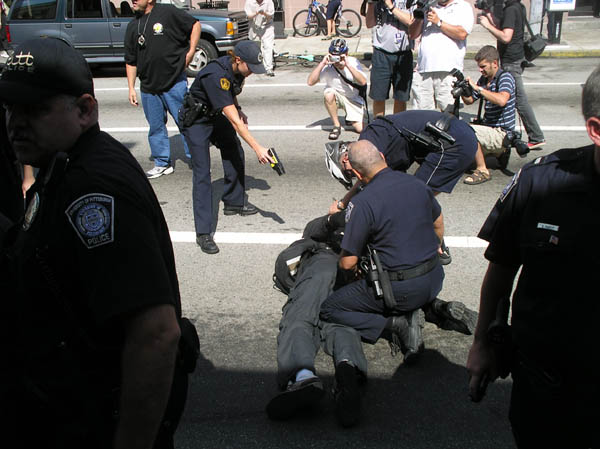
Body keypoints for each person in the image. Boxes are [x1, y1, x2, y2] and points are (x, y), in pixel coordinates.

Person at [0, 37, 189, 448]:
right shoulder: (63, 162)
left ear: (85, 109)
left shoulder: (92, 188)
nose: (15, 122)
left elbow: (156, 334)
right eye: (10, 107)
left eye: (35, 110)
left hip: (90, 421)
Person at [466, 65, 600, 449]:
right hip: (546, 386)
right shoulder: (540, 182)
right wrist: (484, 342)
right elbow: (502, 268)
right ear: (596, 129)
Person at [320, 140, 446, 364]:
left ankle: (393, 324)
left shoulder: (362, 203)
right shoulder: (417, 184)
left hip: (401, 290)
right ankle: (432, 307)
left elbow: (347, 263)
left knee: (330, 309)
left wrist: (352, 272)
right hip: (436, 277)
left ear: (357, 174)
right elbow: (438, 222)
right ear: (382, 156)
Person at [326, 109, 478, 263]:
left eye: (350, 173)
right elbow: (368, 180)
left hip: (454, 143)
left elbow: (367, 178)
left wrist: (342, 204)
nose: (355, 175)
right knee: (405, 197)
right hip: (451, 135)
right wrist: (343, 204)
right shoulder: (372, 142)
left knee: (415, 197)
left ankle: (434, 244)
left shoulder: (369, 141)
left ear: (345, 158)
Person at [266, 213, 368, 428]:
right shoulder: (375, 214)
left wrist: (333, 216)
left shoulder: (327, 232)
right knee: (341, 324)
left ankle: (303, 376)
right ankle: (347, 367)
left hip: (321, 267)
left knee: (299, 319)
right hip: (351, 273)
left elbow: (311, 231)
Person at [180, 41, 274, 255]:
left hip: (213, 115)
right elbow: (236, 123)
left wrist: (238, 108)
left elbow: (232, 91)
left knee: (233, 149)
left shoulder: (239, 71)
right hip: (196, 120)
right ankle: (203, 233)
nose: (251, 72)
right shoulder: (216, 75)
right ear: (238, 60)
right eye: (250, 67)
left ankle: (233, 202)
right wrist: (258, 148)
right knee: (203, 172)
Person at [125, 0, 201, 178]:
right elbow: (130, 60)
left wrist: (190, 53)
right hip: (149, 86)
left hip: (174, 82)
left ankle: (197, 160)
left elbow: (195, 25)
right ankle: (162, 162)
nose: (133, 0)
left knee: (186, 122)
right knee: (156, 127)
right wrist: (131, 88)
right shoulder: (133, 26)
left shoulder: (167, 12)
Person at [478, 0, 545, 149]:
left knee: (519, 101)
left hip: (511, 61)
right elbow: (504, 27)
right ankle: (533, 135)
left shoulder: (510, 9)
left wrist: (487, 25)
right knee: (517, 100)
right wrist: (489, 15)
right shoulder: (516, 6)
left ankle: (536, 136)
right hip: (515, 58)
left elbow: (506, 37)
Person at [461, 45, 516, 185]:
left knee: (468, 131)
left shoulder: (505, 78)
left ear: (495, 63)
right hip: (489, 128)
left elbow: (502, 100)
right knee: (459, 129)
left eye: (483, 66)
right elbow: (469, 101)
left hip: (501, 132)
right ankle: (498, 154)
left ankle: (482, 170)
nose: (480, 70)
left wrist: (478, 88)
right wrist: (463, 90)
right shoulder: (485, 79)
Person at [408, 0, 474, 112]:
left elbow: (462, 33)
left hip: (448, 71)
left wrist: (438, 22)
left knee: (448, 114)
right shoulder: (429, 6)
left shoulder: (462, 6)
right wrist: (419, 17)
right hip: (424, 70)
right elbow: (412, 34)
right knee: (421, 114)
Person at [307, 38, 367, 140]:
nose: (337, 61)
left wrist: (347, 65)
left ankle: (349, 117)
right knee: (328, 94)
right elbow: (310, 82)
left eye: (339, 57)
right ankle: (336, 125)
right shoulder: (328, 67)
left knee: (361, 129)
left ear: (346, 54)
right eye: (334, 57)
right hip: (337, 96)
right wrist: (322, 64)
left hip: (353, 99)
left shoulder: (353, 62)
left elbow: (363, 81)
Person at [365, 0, 414, 117]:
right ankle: (379, 127)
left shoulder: (409, 1)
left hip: (403, 53)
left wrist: (391, 6)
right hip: (381, 52)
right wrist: (371, 4)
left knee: (401, 96)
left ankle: (397, 126)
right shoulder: (378, 3)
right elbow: (369, 23)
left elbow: (411, 21)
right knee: (378, 96)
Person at [245, 0, 275, 77]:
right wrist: (256, 13)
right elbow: (248, 16)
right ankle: (253, 66)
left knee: (267, 46)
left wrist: (264, 13)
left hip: (267, 26)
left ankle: (268, 68)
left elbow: (271, 15)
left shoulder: (269, 2)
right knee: (254, 46)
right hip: (254, 25)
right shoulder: (249, 2)